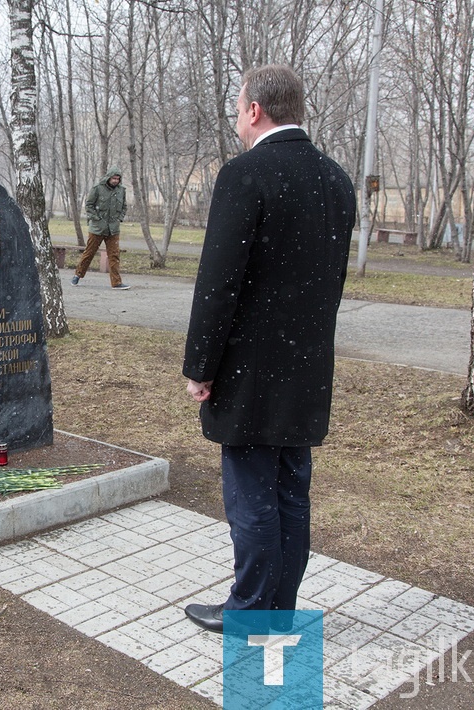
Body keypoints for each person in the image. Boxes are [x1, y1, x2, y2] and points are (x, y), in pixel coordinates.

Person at [181, 65, 356, 633]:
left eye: (238, 108)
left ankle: (252, 612)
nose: (237, 118)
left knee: (252, 495)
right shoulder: (336, 180)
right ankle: (278, 606)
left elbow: (218, 283)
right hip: (306, 369)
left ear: (255, 109)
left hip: (252, 373)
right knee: (289, 494)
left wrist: (200, 368)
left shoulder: (246, 175)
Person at [71, 167, 131, 290]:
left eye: (117, 179)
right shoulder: (98, 189)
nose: (115, 181)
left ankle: (116, 282)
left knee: (114, 255)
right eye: (113, 178)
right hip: (97, 228)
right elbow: (89, 205)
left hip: (113, 229)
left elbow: (124, 206)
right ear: (108, 177)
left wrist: (120, 218)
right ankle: (78, 275)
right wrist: (96, 218)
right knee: (89, 253)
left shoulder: (121, 191)